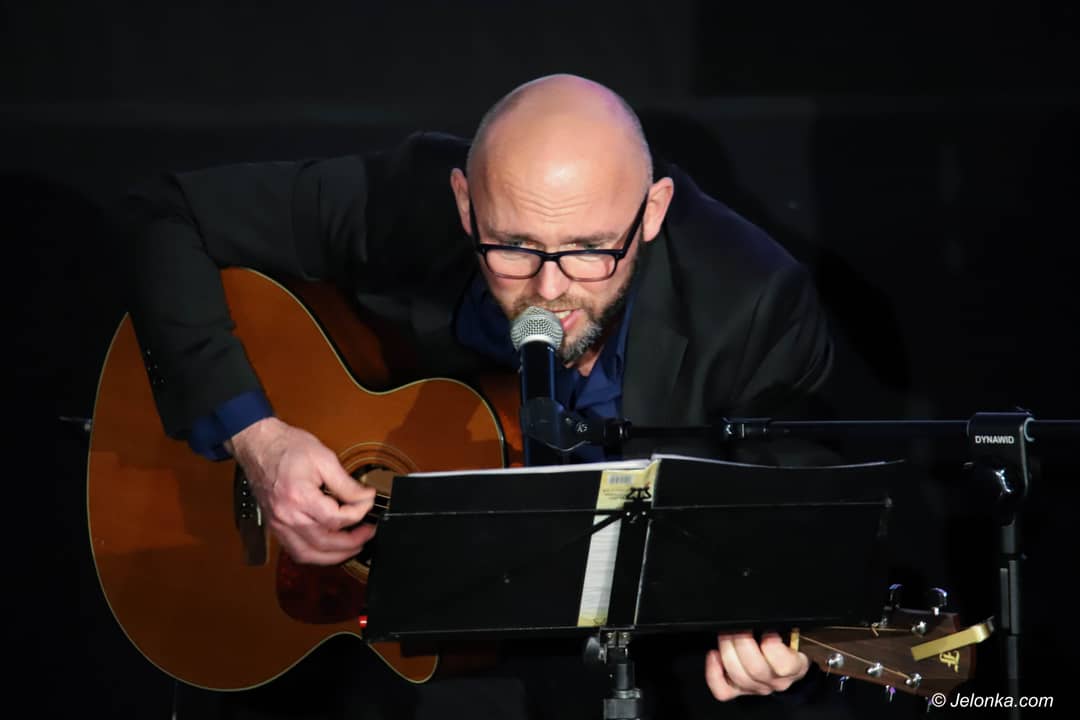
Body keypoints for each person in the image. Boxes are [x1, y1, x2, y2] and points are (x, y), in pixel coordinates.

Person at [118, 74, 837, 719]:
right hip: (391, 658)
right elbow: (166, 212)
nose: (549, 290)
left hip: (620, 664)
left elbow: (807, 531)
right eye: (513, 247)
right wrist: (256, 437)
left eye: (590, 251)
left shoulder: (753, 304)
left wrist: (789, 643)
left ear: (652, 212)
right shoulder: (410, 201)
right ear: (465, 204)